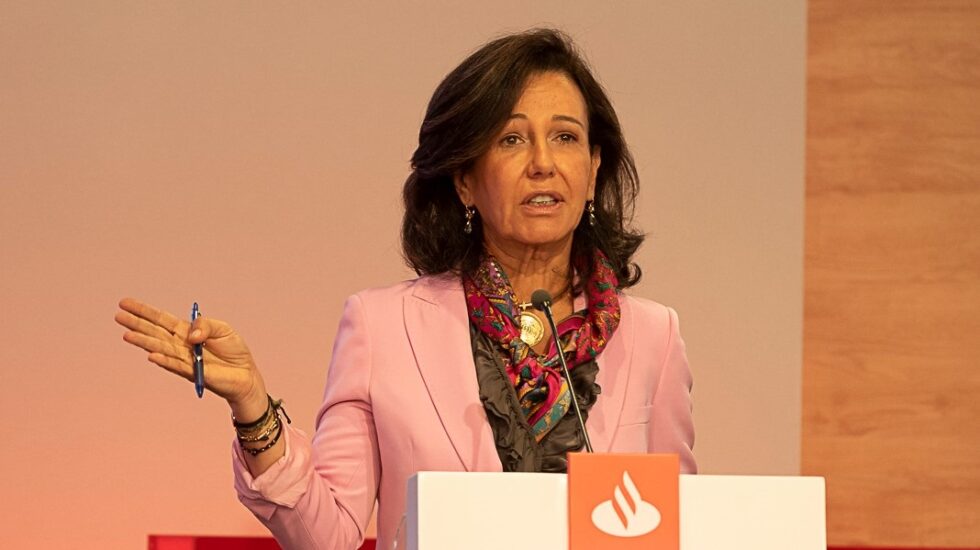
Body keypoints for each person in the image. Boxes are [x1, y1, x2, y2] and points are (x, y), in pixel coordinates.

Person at [116, 28, 695, 550]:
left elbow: (682, 525)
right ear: (466, 180)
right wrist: (253, 406)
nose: (543, 163)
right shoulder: (382, 326)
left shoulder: (654, 337)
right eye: (512, 140)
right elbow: (329, 535)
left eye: (565, 137)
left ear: (594, 167)